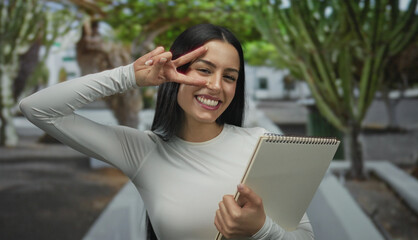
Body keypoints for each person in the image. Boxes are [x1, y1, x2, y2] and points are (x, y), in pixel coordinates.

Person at [20, 24, 314, 240]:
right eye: (203, 69)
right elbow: (38, 108)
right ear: (176, 71)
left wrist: (262, 230)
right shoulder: (142, 152)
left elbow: (304, 236)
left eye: (229, 77)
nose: (215, 86)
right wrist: (129, 77)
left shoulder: (261, 143)